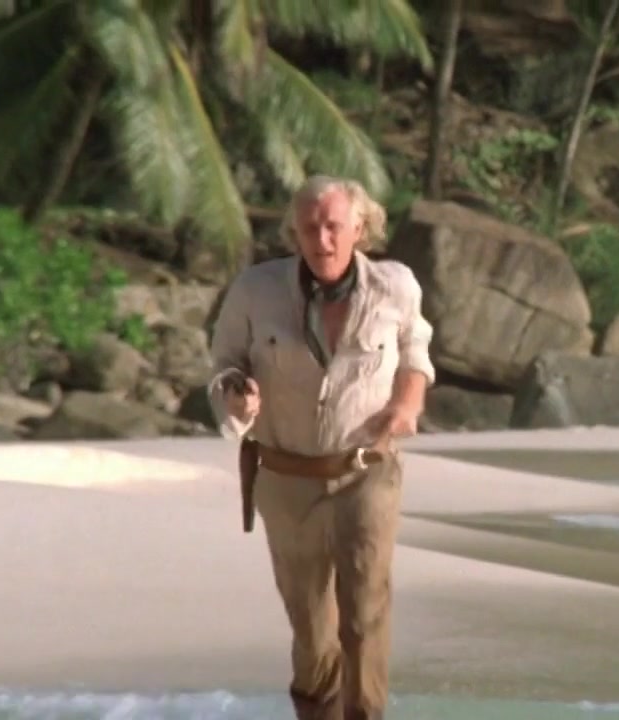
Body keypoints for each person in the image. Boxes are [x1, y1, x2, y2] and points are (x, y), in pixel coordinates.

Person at [207, 175, 435, 720]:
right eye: (310, 228)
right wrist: (237, 397)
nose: (322, 239)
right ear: (295, 232)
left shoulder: (395, 285)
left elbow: (415, 352)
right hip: (286, 479)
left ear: (359, 227)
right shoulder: (254, 289)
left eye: (333, 226)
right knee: (313, 633)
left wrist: (407, 404)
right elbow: (223, 366)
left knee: (365, 613)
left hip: (366, 470)